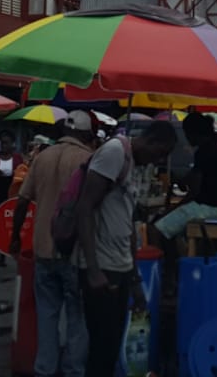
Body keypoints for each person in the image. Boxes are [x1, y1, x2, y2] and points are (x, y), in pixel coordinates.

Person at [76, 119, 178, 377]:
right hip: (102, 266)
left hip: (120, 267)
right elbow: (85, 208)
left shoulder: (131, 163)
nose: (157, 160)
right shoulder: (114, 152)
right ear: (151, 140)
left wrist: (135, 282)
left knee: (110, 349)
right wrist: (93, 269)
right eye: (160, 153)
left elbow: (128, 225)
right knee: (101, 349)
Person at [11, 110, 95, 377]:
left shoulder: (42, 157)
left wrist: (15, 236)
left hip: (43, 249)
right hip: (74, 251)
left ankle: (44, 369)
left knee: (46, 315)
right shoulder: (88, 159)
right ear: (85, 134)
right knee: (76, 318)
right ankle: (73, 371)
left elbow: (23, 200)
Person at [151, 111, 217, 245]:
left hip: (204, 208)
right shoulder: (215, 147)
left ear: (195, 133)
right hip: (214, 206)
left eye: (187, 134)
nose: (187, 138)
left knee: (154, 230)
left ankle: (163, 264)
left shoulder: (205, 152)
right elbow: (195, 176)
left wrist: (174, 209)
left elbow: (194, 192)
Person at [0, 131, 23, 266]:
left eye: (6, 143)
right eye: (2, 143)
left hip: (11, 195)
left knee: (11, 225)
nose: (4, 146)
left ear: (12, 144)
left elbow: (23, 174)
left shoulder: (18, 158)